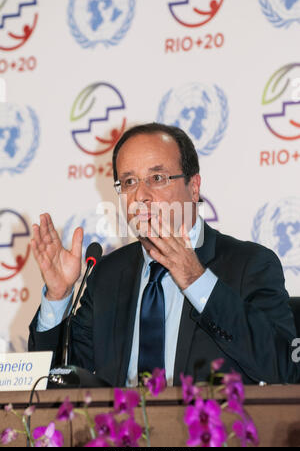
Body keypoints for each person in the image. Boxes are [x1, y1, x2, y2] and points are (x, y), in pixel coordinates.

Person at [29, 123, 299, 387]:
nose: (140, 196)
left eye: (157, 178)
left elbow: (284, 369)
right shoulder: (106, 276)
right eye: (129, 181)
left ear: (194, 188)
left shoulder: (249, 264)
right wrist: (58, 296)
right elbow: (62, 381)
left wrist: (197, 279)